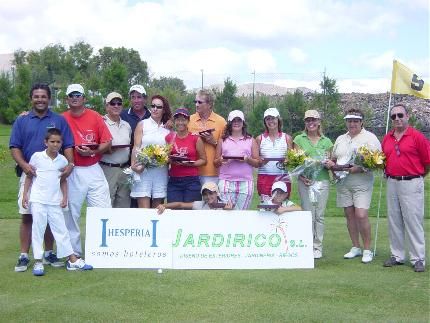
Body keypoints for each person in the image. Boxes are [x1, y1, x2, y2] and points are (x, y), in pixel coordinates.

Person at [9, 83, 75, 272]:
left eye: (43, 96)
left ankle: (48, 253)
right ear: (32, 98)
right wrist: (25, 166)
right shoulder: (22, 120)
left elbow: (68, 145)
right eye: (36, 96)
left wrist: (70, 165)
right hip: (30, 174)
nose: (40, 100)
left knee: (49, 215)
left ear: (49, 98)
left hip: (53, 176)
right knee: (27, 215)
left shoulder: (59, 120)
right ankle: (24, 255)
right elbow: (15, 147)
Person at [22, 128, 92, 275]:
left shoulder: (63, 160)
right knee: (38, 230)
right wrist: (25, 195)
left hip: (55, 201)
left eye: (58, 142)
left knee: (61, 230)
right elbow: (29, 176)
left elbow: (63, 181)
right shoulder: (37, 157)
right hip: (38, 200)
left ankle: (72, 260)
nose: (55, 144)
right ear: (45, 142)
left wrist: (65, 196)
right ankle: (38, 262)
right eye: (52, 141)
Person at [62, 83, 112, 257]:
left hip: (93, 167)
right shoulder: (61, 118)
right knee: (71, 212)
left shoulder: (95, 116)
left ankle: (101, 249)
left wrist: (94, 151)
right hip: (72, 169)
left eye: (78, 95)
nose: (75, 98)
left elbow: (107, 141)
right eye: (71, 95)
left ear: (84, 98)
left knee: (102, 208)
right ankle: (73, 252)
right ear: (67, 99)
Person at [327, 108, 381, 264]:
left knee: (361, 214)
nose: (352, 124)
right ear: (346, 122)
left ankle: (367, 249)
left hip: (362, 183)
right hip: (343, 183)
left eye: (355, 121)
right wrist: (333, 169)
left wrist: (361, 168)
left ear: (361, 122)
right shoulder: (340, 139)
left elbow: (378, 162)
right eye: (349, 121)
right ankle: (356, 247)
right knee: (349, 215)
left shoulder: (370, 138)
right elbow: (334, 158)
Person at [382, 103, 430, 272]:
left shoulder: (417, 136)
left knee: (413, 220)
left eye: (400, 115)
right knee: (394, 220)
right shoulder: (387, 138)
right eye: (393, 116)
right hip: (392, 182)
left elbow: (427, 162)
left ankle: (418, 258)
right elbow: (384, 160)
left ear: (407, 116)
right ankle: (397, 256)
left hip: (411, 182)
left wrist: (417, 177)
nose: (397, 119)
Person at [293, 110, 333, 259]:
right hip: (305, 181)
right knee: (307, 213)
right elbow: (296, 162)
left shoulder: (327, 142)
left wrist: (330, 164)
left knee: (320, 215)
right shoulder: (299, 139)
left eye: (314, 120)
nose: (311, 123)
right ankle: (307, 244)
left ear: (319, 122)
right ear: (305, 122)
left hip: (321, 180)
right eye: (308, 120)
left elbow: (330, 161)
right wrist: (302, 176)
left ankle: (317, 246)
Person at [130, 95, 172, 208]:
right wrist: (133, 165)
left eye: (158, 107)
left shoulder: (167, 129)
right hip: (143, 171)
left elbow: (170, 151)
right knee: (144, 212)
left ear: (164, 110)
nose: (155, 109)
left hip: (160, 172)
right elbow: (136, 147)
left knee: (157, 210)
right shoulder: (142, 124)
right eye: (152, 106)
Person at [214, 110, 260, 210]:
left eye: (239, 120)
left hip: (245, 182)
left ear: (243, 123)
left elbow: (257, 163)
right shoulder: (222, 140)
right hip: (226, 181)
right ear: (229, 123)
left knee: (241, 213)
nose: (236, 123)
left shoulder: (250, 140)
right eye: (233, 120)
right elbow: (215, 162)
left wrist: (247, 159)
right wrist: (221, 160)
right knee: (227, 212)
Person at [165, 107, 207, 203]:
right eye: (178, 119)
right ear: (174, 121)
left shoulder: (195, 138)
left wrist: (191, 164)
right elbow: (166, 157)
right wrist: (171, 160)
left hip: (192, 180)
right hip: (174, 180)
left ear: (188, 121)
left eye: (183, 120)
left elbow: (204, 160)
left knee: (191, 212)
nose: (180, 122)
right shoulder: (169, 137)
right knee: (174, 212)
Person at [100, 92, 132, 208]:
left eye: (119, 103)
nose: (116, 106)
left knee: (123, 205)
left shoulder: (127, 125)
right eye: (112, 103)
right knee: (107, 203)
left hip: (124, 169)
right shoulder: (101, 122)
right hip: (108, 168)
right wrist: (105, 150)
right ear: (107, 106)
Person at [188, 89, 227, 185]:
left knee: (211, 200)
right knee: (194, 201)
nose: (196, 104)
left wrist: (213, 142)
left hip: (212, 173)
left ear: (209, 104)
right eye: (195, 102)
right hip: (191, 171)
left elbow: (227, 149)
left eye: (200, 102)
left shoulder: (221, 122)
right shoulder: (189, 119)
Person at [256, 107, 293, 201]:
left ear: (278, 120)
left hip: (282, 177)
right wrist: (260, 161)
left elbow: (291, 160)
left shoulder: (287, 138)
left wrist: (288, 161)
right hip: (264, 178)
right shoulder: (259, 139)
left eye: (273, 118)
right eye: (268, 119)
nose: (271, 121)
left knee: (281, 209)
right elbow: (256, 160)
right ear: (265, 122)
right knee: (265, 208)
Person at [156, 182, 233, 213]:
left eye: (211, 193)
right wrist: (163, 205)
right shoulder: (200, 204)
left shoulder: (225, 205)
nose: (208, 196)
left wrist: (228, 211)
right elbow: (180, 205)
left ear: (217, 193)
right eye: (205, 194)